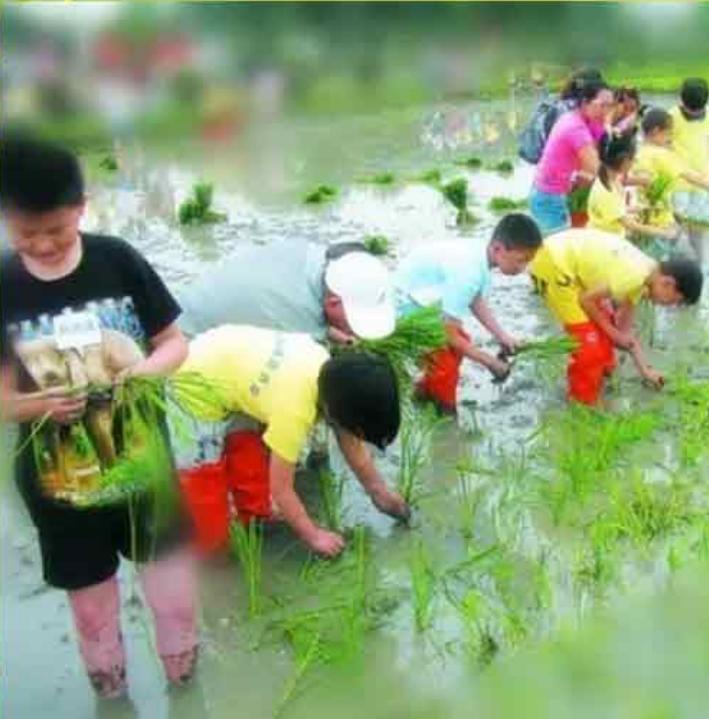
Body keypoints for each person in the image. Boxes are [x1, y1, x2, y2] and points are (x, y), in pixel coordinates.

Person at [0, 135, 198, 698]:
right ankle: (112, 696)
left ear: (82, 208)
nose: (42, 245)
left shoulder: (117, 259)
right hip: (61, 491)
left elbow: (174, 344)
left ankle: (187, 691)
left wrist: (140, 374)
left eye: (57, 230)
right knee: (92, 615)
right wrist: (43, 405)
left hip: (145, 473)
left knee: (176, 603)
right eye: (26, 233)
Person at [172, 326, 409, 557]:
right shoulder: (294, 412)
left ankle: (255, 518)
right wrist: (314, 536)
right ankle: (212, 551)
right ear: (335, 413)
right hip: (193, 385)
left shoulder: (333, 375)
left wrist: (379, 492)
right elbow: (281, 489)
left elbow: (350, 441)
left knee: (247, 452)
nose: (353, 437)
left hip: (229, 364)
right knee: (204, 481)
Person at [529, 228, 703, 405]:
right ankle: (582, 404)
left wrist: (646, 370)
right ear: (668, 283)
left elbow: (625, 335)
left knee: (605, 325)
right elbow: (586, 300)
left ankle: (602, 375)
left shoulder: (646, 275)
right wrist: (613, 333)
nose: (667, 306)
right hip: (553, 263)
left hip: (572, 265)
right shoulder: (634, 276)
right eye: (673, 301)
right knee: (589, 344)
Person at [394, 213, 543, 415]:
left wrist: (503, 337)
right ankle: (444, 413)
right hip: (402, 307)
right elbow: (448, 333)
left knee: (459, 343)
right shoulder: (468, 271)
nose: (523, 268)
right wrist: (489, 362)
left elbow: (475, 299)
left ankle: (424, 392)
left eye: (528, 261)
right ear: (498, 248)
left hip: (420, 298)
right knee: (447, 355)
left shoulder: (480, 253)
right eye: (521, 260)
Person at [176, 239, 395, 343]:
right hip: (185, 338)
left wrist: (344, 338)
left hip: (195, 299)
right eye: (351, 326)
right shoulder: (293, 313)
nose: (353, 332)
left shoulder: (317, 258)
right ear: (333, 303)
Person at [529, 75, 614, 234]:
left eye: (610, 106)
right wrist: (631, 180)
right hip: (548, 198)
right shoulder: (575, 127)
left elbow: (598, 145)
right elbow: (597, 169)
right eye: (602, 105)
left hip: (555, 191)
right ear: (585, 102)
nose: (607, 111)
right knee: (558, 247)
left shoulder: (584, 119)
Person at [634, 108, 709, 243]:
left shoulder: (637, 152)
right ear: (656, 131)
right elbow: (690, 176)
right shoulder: (663, 155)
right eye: (668, 133)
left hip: (639, 214)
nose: (670, 138)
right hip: (660, 219)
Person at [586, 130, 675, 240]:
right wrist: (663, 233)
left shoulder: (611, 179)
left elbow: (614, 210)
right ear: (623, 160)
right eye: (632, 158)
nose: (635, 161)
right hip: (603, 243)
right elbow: (631, 226)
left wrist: (634, 209)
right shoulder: (606, 192)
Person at [668, 78, 709, 229]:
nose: (694, 116)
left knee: (699, 225)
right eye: (690, 113)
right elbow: (665, 149)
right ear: (681, 100)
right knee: (676, 224)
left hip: (704, 180)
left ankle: (699, 245)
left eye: (698, 113)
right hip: (678, 182)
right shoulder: (671, 117)